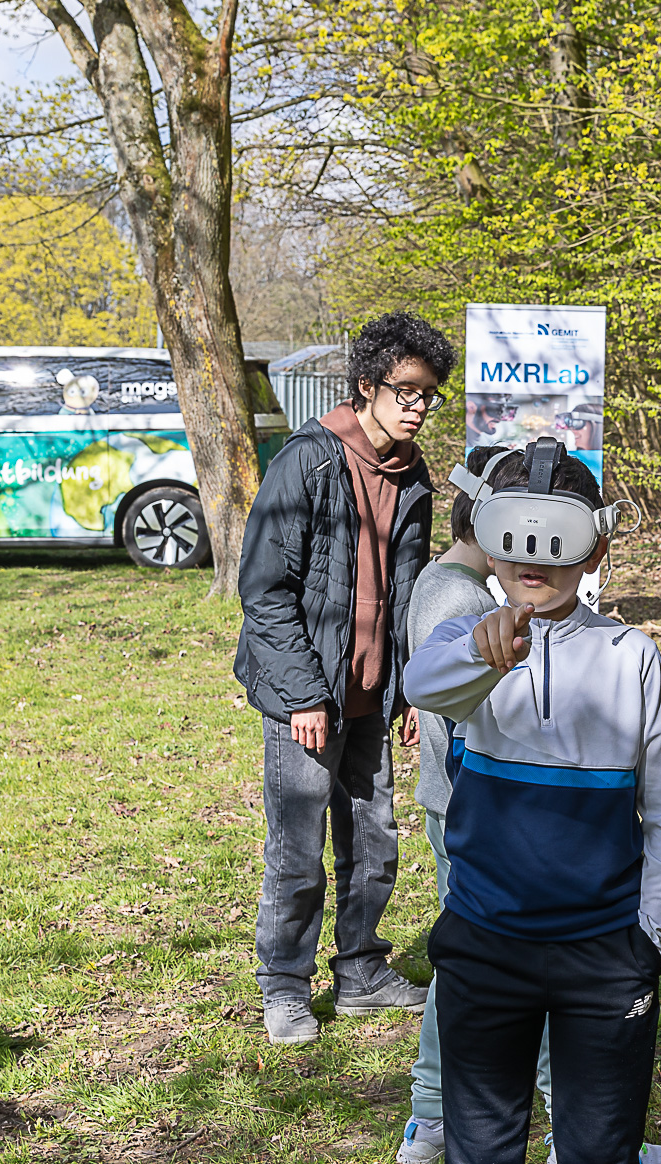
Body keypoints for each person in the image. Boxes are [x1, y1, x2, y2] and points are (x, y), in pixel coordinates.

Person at [404, 440, 661, 1164]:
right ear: (490, 542)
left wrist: (656, 937)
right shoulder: (464, 643)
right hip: (484, 949)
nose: (537, 562)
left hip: (606, 958)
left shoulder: (631, 657)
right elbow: (425, 683)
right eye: (517, 540)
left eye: (558, 540)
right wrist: (484, 648)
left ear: (596, 546)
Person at [234, 312, 455, 1047]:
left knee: (373, 841)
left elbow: (416, 590)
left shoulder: (414, 474)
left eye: (430, 395)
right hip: (305, 694)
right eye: (407, 391)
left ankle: (360, 972)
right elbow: (265, 589)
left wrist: (415, 688)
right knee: (296, 848)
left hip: (375, 693)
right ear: (367, 385)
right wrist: (301, 693)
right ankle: (285, 987)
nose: (419, 406)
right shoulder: (308, 460)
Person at [395, 444, 555, 1164]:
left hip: (449, 804)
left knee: (466, 964)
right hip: (469, 811)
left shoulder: (442, 582)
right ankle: (443, 1117)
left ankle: (432, 1115)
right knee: (501, 969)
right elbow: (470, 714)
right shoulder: (462, 602)